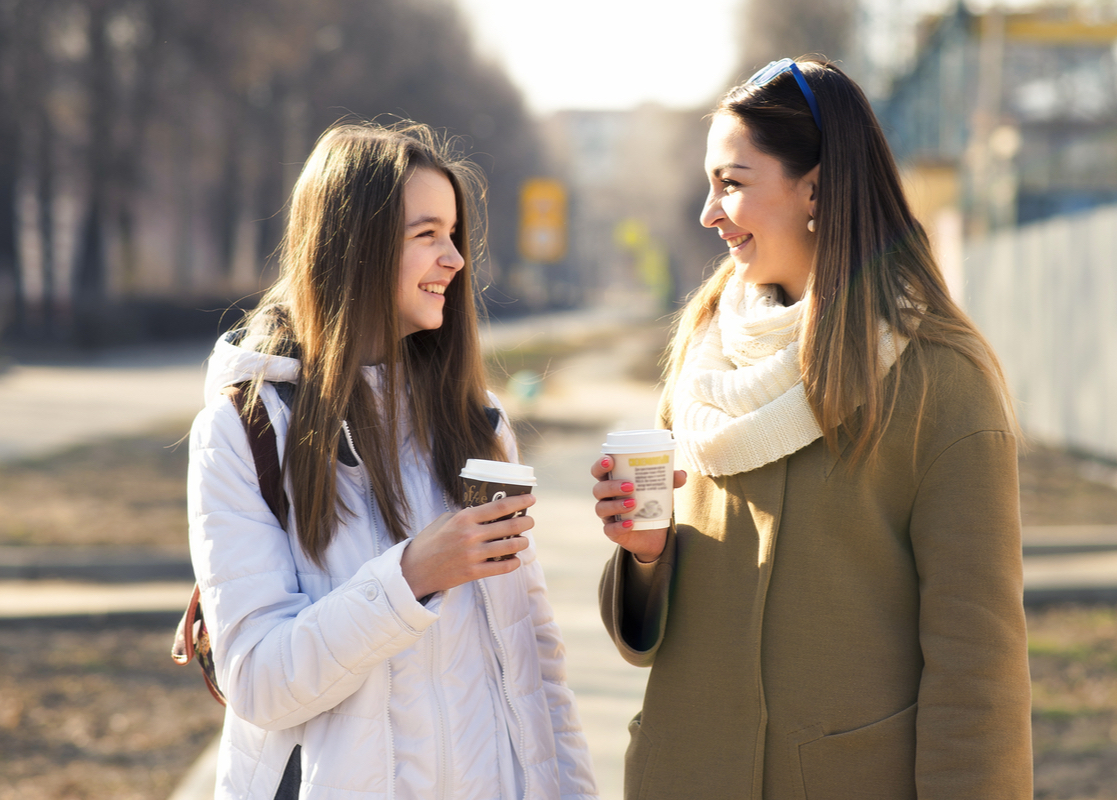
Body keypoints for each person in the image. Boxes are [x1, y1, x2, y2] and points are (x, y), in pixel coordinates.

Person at [591, 58, 1033, 799]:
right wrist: (646, 559)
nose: (709, 212)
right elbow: (656, 636)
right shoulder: (704, 355)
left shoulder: (941, 384)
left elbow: (977, 674)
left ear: (817, 190)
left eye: (732, 183)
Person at [188, 121, 597, 800]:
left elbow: (535, 667)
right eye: (426, 234)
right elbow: (258, 681)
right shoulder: (247, 431)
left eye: (454, 235)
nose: (456, 259)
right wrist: (411, 576)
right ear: (356, 247)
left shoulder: (480, 427)